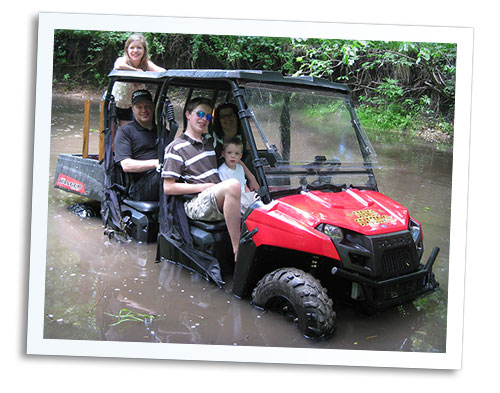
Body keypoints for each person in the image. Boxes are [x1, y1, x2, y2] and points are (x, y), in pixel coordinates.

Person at [162, 97, 242, 258]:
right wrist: (204, 187)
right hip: (195, 202)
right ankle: (238, 250)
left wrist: (252, 178)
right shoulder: (175, 147)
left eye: (208, 117)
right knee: (233, 185)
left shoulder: (210, 142)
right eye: (199, 114)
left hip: (214, 196)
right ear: (188, 114)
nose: (203, 119)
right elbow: (168, 187)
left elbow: (232, 155)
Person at [114, 89, 160, 201]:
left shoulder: (163, 132)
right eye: (139, 107)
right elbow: (126, 165)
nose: (144, 110)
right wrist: (157, 163)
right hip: (139, 187)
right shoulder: (125, 132)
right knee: (165, 172)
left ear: (153, 107)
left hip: (163, 176)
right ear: (133, 109)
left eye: (147, 106)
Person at [112, 33, 166, 126]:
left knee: (126, 133)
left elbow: (163, 72)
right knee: (111, 136)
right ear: (127, 50)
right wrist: (136, 71)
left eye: (139, 48)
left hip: (129, 106)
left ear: (144, 50)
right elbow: (118, 65)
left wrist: (146, 73)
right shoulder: (123, 60)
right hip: (113, 103)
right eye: (132, 48)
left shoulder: (146, 64)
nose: (135, 51)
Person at [213, 103, 259, 191]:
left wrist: (252, 179)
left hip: (240, 178)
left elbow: (250, 160)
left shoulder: (246, 137)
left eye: (230, 115)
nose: (227, 119)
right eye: (223, 116)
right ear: (218, 120)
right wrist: (251, 178)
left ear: (236, 117)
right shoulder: (214, 139)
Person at [218, 138, 257, 214]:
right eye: (229, 153)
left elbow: (244, 185)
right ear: (223, 154)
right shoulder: (222, 171)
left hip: (244, 198)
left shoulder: (240, 168)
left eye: (236, 153)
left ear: (240, 156)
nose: (233, 156)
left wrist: (250, 197)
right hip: (234, 201)